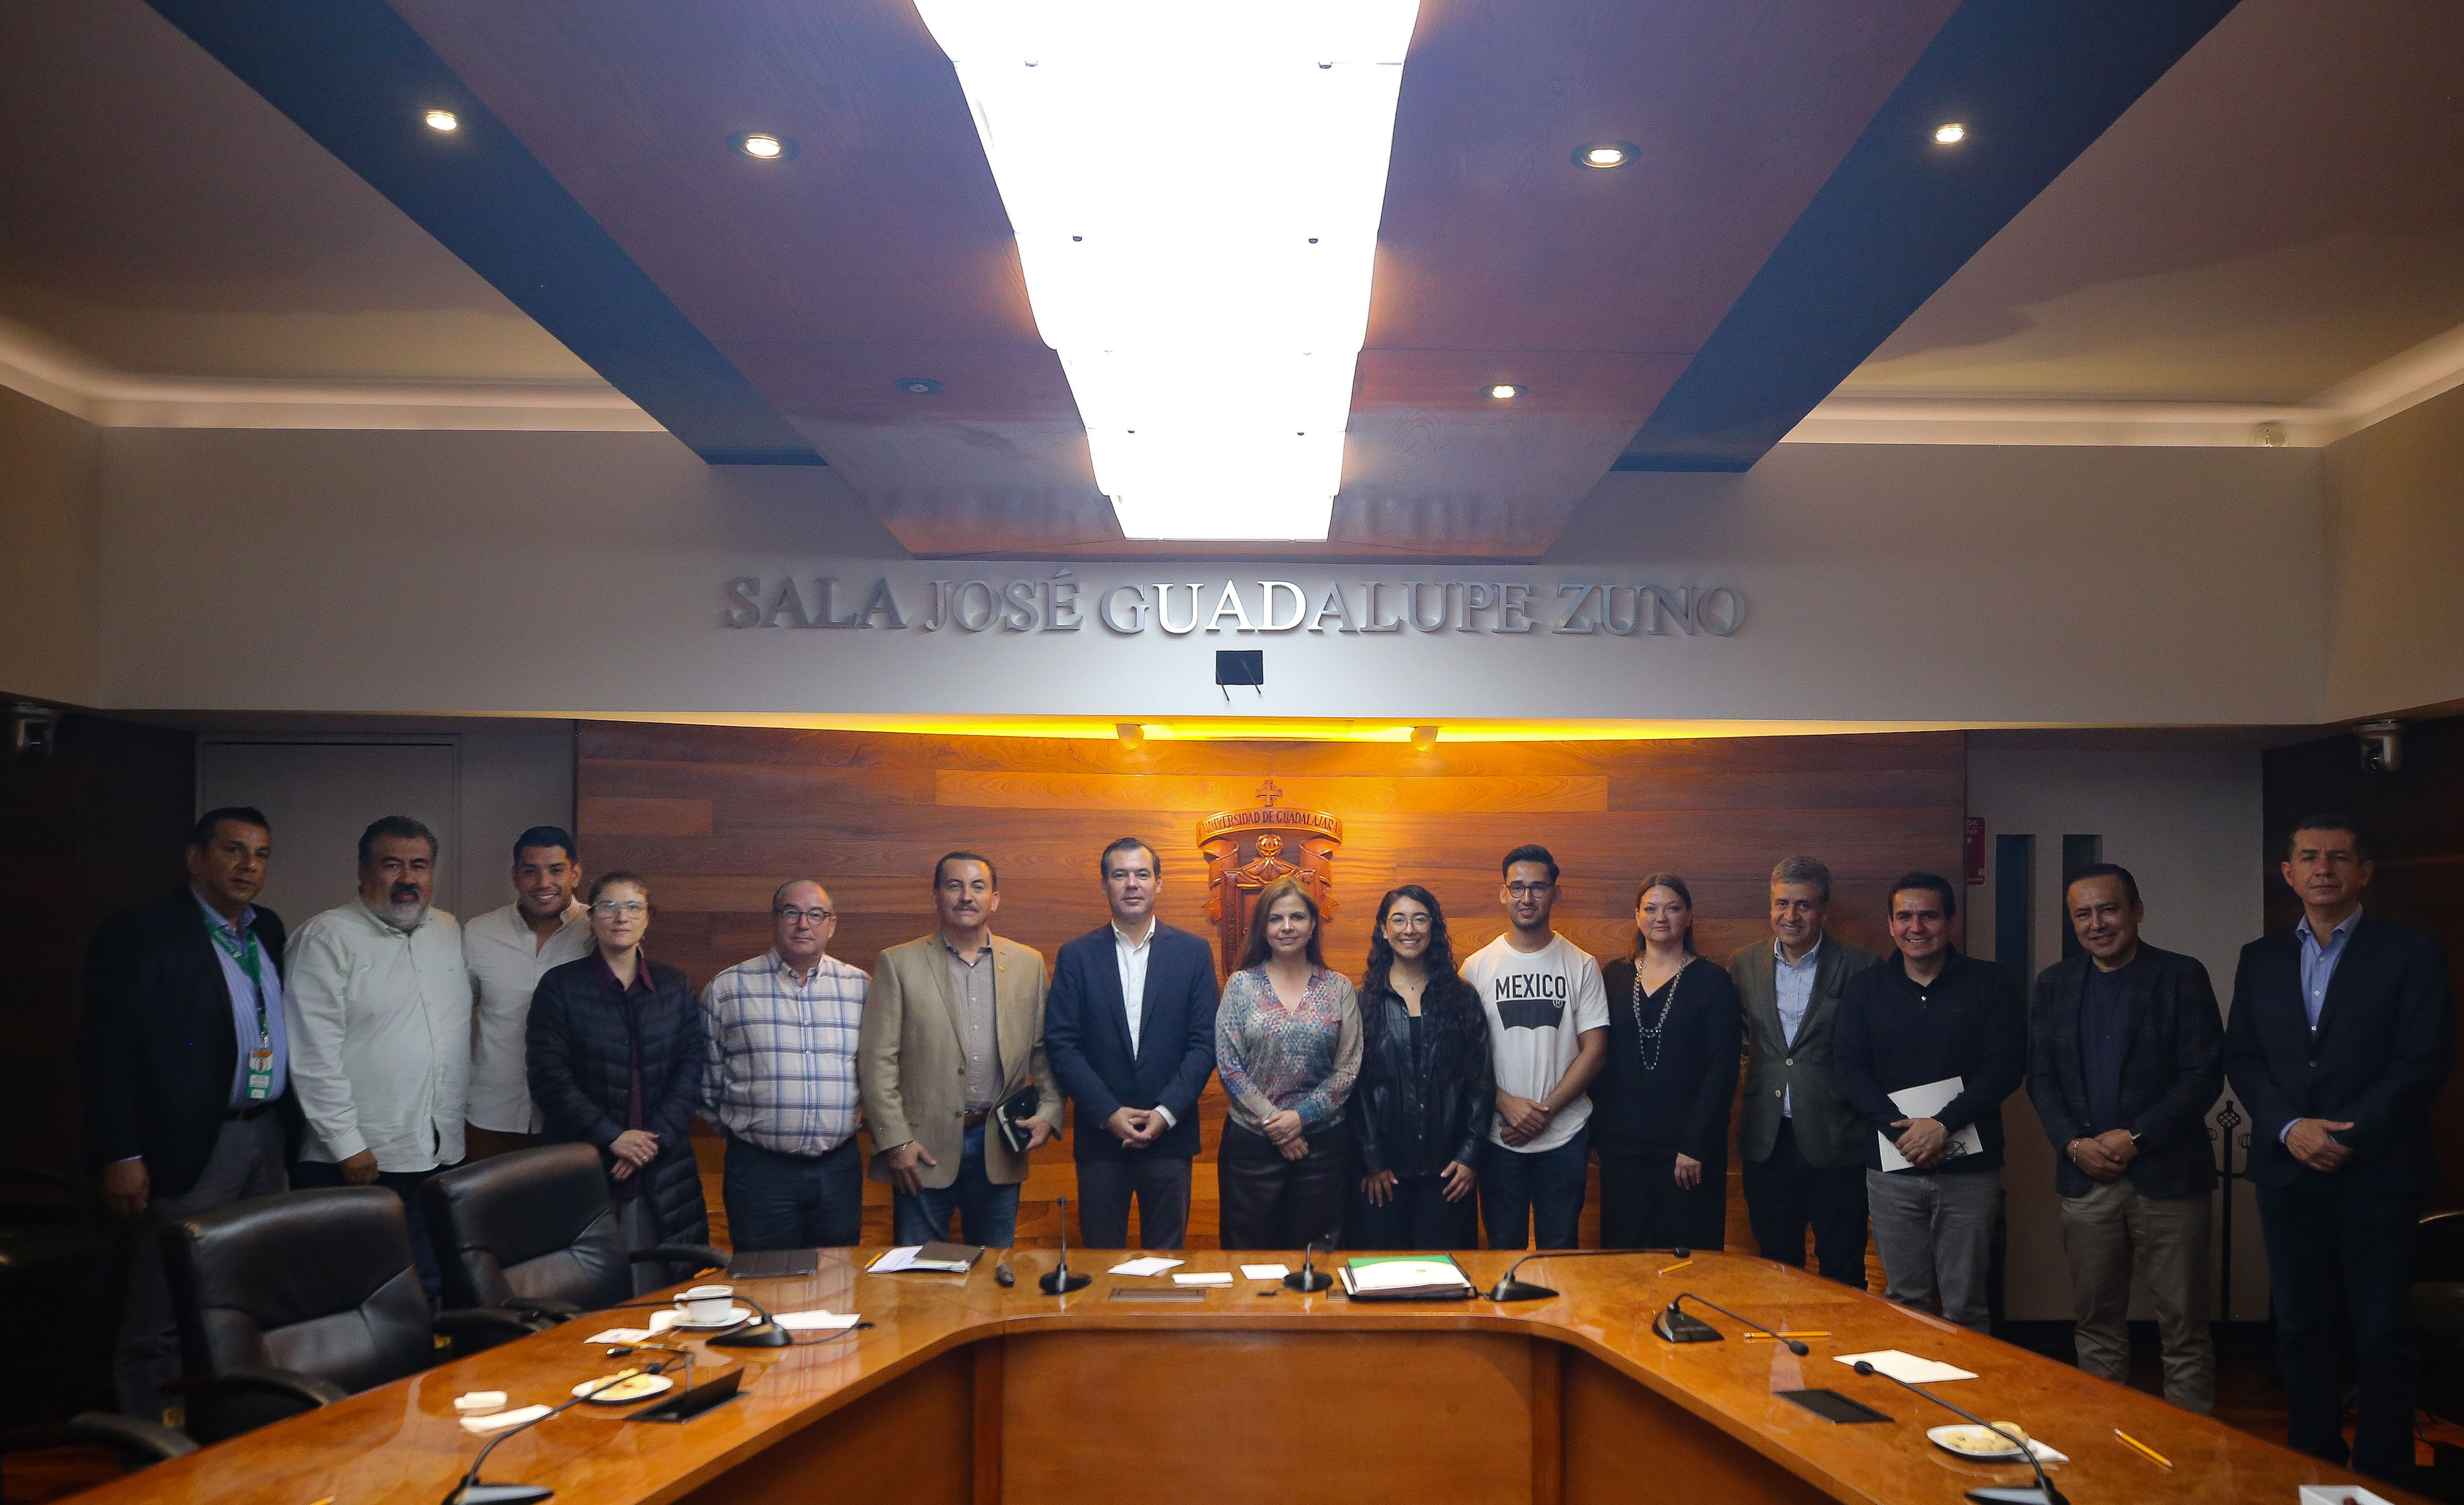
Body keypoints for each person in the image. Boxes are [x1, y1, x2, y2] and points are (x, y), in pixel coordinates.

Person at [2227, 816, 2453, 1483]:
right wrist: (2290, 1128)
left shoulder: (2412, 952)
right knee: (2301, 1327)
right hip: (2288, 1169)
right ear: (2289, 874)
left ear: (2364, 872)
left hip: (2378, 1170)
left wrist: (2343, 1134)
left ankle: (2383, 1473)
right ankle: (2314, 1464)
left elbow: (2422, 1060)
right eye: (2308, 857)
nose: (2323, 869)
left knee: (2381, 1331)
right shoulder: (2260, 957)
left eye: (2338, 857)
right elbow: (2243, 1057)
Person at [81, 807, 301, 1423]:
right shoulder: (141, 932)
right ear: (195, 858)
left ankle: (225, 1430)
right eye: (233, 850)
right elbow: (104, 1050)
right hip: (188, 1144)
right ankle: (151, 1446)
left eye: (260, 854)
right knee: (163, 1306)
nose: (248, 866)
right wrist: (121, 1152)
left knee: (243, 1295)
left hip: (264, 1136)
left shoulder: (267, 929)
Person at [2027, 862, 2223, 1415]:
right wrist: (2073, 1145)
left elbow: (2204, 1073)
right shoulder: (2054, 984)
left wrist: (2138, 1136)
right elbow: (2040, 1078)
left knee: (2184, 1328)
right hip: (2086, 1179)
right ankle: (2104, 1441)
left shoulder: (2181, 975)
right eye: (2083, 914)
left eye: (2108, 909)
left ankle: (2188, 1446)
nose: (2097, 924)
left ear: (2137, 911)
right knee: (2096, 1324)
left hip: (2170, 1178)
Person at [1831, 871, 2024, 1332]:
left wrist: (1941, 1126)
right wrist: (1904, 1132)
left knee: (1967, 1305)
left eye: (1929, 916)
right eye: (1905, 917)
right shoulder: (1866, 988)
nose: (1916, 927)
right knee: (1904, 1302)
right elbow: (1848, 1070)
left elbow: (2005, 1067)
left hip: (1970, 1172)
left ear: (1951, 922)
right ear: (1891, 924)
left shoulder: (1989, 982)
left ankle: (1967, 1383)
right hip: (1892, 1168)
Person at [286, 815, 469, 1299]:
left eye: (419, 866)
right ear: (363, 870)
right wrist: (347, 1144)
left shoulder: (447, 930)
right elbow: (311, 1053)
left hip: (434, 1154)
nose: (407, 878)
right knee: (354, 1295)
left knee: (429, 1290)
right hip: (357, 1161)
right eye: (392, 865)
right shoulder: (325, 937)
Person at [858, 852, 1062, 1247]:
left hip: (1000, 1145)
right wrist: (896, 1141)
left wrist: (1050, 1111)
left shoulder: (1028, 963)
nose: (967, 896)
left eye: (978, 887)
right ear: (936, 897)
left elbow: (1043, 1050)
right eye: (955, 886)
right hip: (921, 1150)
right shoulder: (898, 963)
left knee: (996, 1270)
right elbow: (877, 1060)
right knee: (918, 1273)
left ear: (994, 900)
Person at [527, 871, 710, 1286]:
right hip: (585, 1164)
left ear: (648, 917)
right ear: (591, 918)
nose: (621, 916)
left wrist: (648, 1143)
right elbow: (548, 1077)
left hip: (663, 1166)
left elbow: (692, 1067)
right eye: (609, 906)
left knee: (661, 1287)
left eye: (633, 906)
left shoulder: (674, 985)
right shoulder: (560, 987)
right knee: (588, 1293)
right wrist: (614, 1137)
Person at [1043, 837, 1220, 1250]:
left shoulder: (1193, 952)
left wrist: (1165, 1113)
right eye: (1120, 875)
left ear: (1159, 883)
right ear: (1104, 885)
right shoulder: (1076, 956)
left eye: (1142, 874)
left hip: (1170, 1137)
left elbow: (1205, 1042)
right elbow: (1062, 1044)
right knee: (1100, 1261)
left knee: (1166, 1260)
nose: (1132, 884)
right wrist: (1108, 1113)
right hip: (1101, 1139)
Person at [700, 878, 870, 1250]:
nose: (803, 924)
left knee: (838, 1276)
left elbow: (878, 1069)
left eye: (815, 914)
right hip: (760, 1172)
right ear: (775, 920)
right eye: (791, 913)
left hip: (838, 1169)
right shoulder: (728, 989)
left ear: (832, 924)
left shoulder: (861, 988)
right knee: (764, 1277)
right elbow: (707, 1083)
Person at [1731, 855, 1877, 1286]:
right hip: (1767, 1139)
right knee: (1777, 1268)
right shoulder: (1744, 963)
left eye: (1803, 905)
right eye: (1782, 903)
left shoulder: (1861, 966)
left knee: (1844, 1269)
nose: (1790, 916)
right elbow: (1738, 1040)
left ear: (1824, 912)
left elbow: (1872, 1051)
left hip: (1837, 1136)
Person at [1461, 844, 1608, 1251]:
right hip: (1498, 1135)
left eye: (1539, 887)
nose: (1527, 898)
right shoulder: (1476, 967)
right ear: (1503, 893)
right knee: (1502, 1251)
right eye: (1518, 887)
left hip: (1565, 1135)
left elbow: (1595, 1050)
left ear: (1555, 893)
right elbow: (1463, 1054)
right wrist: (1505, 1103)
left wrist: (1545, 1113)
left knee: (1560, 1253)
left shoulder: (1581, 964)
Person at [1594, 874, 1743, 1251]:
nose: (1661, 918)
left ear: (1689, 916)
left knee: (1686, 1262)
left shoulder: (1713, 981)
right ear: (1637, 916)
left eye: (1673, 908)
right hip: (1621, 1149)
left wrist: (1695, 1145)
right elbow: (1599, 1057)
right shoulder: (1613, 976)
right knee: (1623, 1262)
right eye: (1651, 909)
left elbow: (1721, 1072)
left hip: (1686, 1155)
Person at [1215, 877, 1362, 1251]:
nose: (1287, 927)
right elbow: (1229, 1065)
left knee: (1317, 1264)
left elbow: (1348, 1069)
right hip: (1251, 1146)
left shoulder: (1339, 987)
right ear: (1262, 928)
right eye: (1276, 918)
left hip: (1323, 1148)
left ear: (1313, 926)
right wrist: (1275, 1123)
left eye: (1297, 917)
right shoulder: (1240, 985)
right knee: (1249, 1263)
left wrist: (1300, 1119)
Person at [1347, 886, 1490, 1250]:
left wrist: (1470, 1156)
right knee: (1381, 1274)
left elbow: (1480, 1081)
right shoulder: (1362, 1001)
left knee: (1446, 1274)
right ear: (1384, 930)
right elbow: (1354, 1086)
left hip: (1449, 1172)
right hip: (1382, 1174)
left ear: (1434, 928)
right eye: (1399, 920)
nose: (1409, 929)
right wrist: (1372, 1160)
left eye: (1420, 919)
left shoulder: (1462, 998)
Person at [461, 825, 592, 1161]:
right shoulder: (479, 933)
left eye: (556, 870)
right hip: (490, 1116)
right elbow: (452, 1017)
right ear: (515, 876)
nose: (543, 882)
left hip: (573, 1117)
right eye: (530, 871)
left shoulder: (600, 932)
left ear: (576, 874)